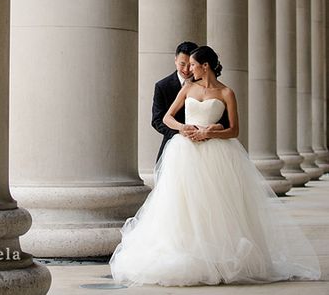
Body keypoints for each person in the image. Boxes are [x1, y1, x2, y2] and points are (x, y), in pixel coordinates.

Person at [110, 46, 321, 286]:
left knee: (215, 205)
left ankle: (218, 259)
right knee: (182, 204)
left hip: (216, 153)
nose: (189, 69)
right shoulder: (188, 88)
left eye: (192, 64)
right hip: (184, 152)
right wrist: (183, 128)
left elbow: (234, 130)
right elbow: (167, 117)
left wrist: (212, 132)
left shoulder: (227, 93)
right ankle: (186, 255)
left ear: (205, 66)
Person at [151, 41, 228, 161]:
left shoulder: (216, 86)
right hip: (176, 145)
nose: (187, 69)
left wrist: (214, 128)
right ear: (175, 60)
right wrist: (181, 132)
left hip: (211, 146)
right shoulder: (162, 86)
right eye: (182, 64)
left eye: (191, 64)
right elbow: (157, 120)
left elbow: (223, 116)